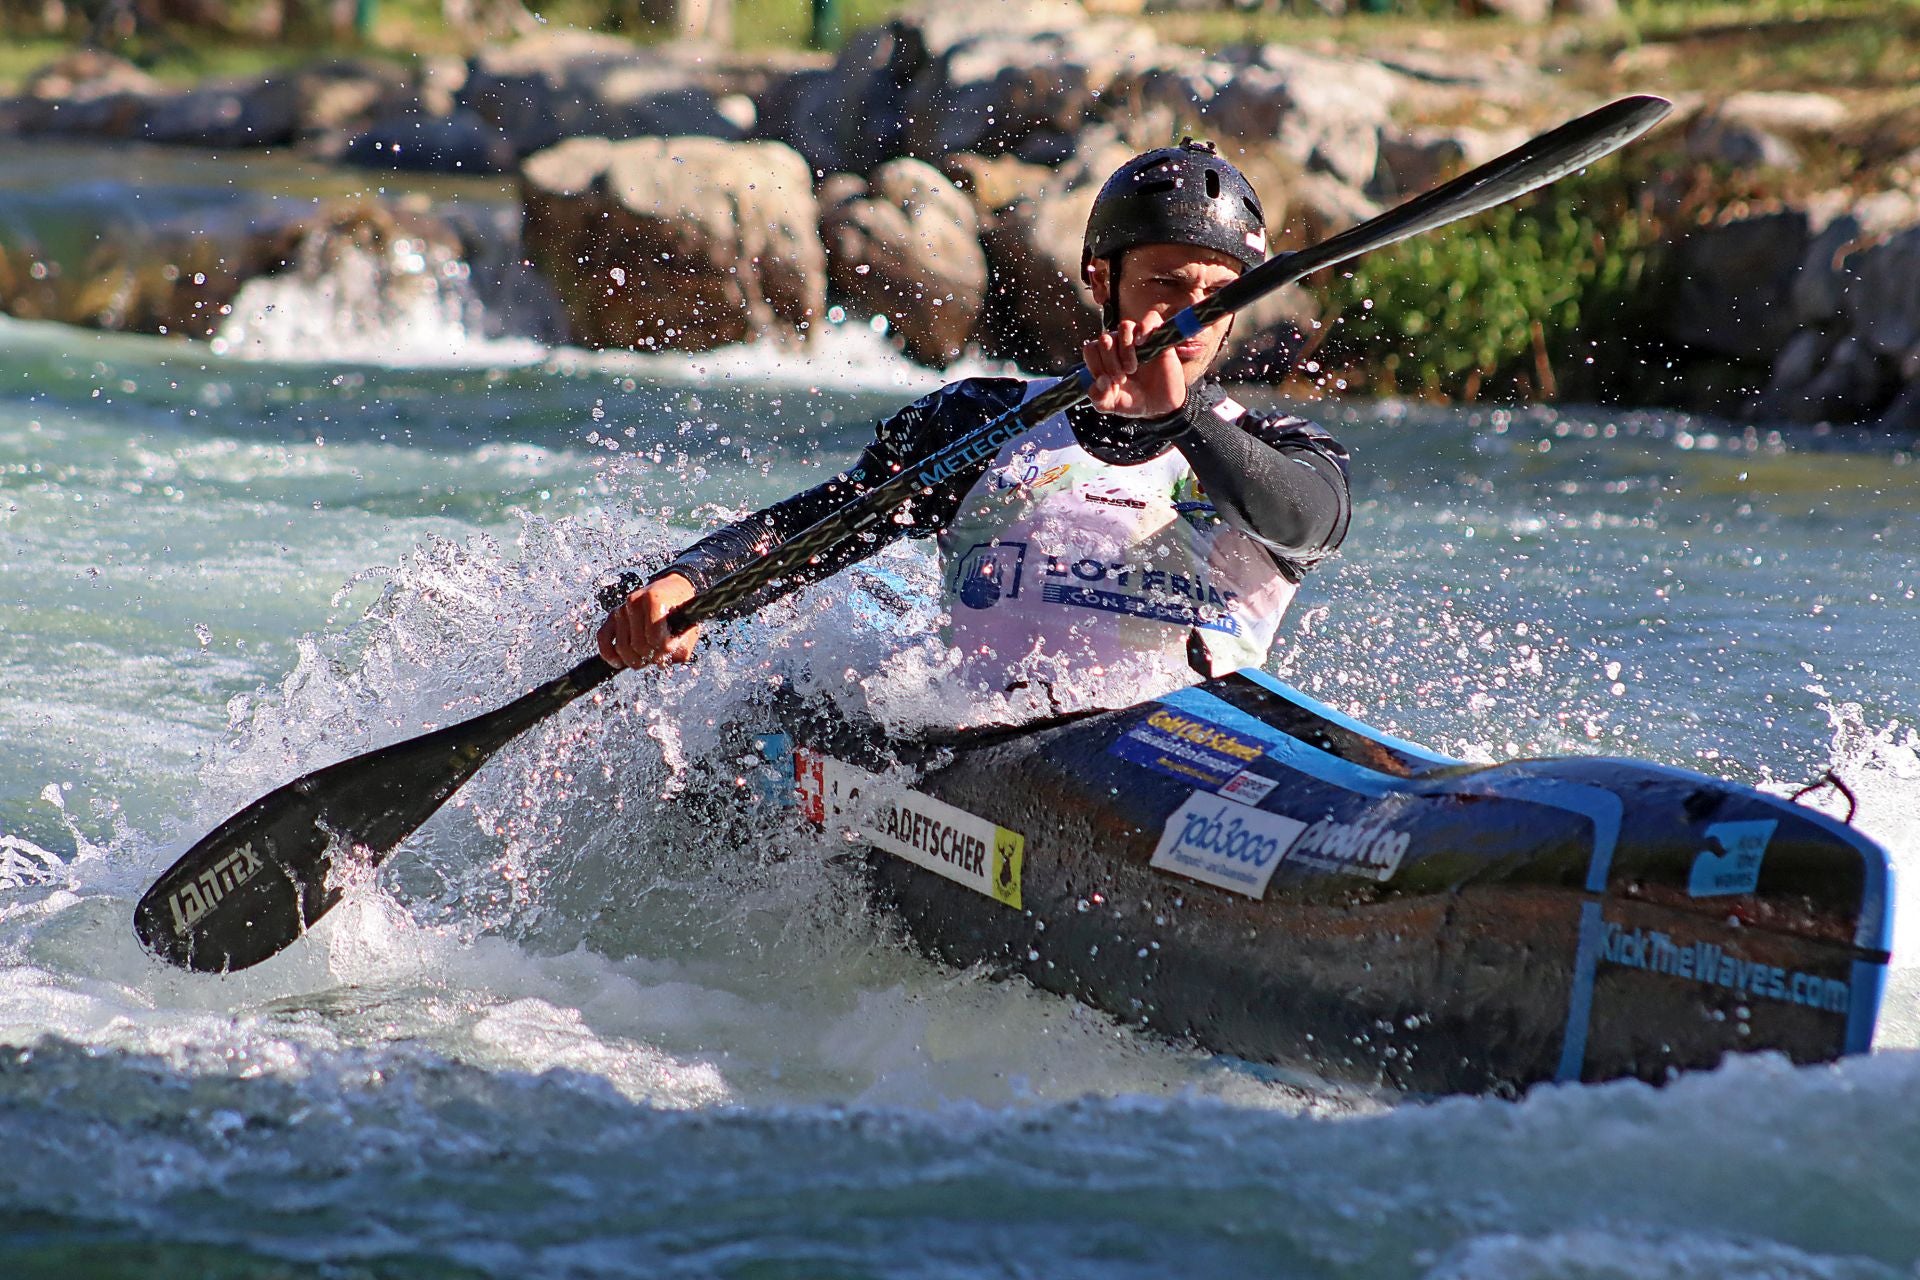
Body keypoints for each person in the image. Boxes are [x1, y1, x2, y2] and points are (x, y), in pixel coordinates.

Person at [598, 139, 1351, 718]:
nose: (1191, 316)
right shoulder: (983, 423)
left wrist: (1179, 414)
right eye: (1165, 284)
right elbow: (826, 523)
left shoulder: (1286, 452)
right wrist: (689, 581)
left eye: (1217, 296)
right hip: (989, 768)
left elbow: (1307, 527)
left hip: (1194, 776)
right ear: (1101, 278)